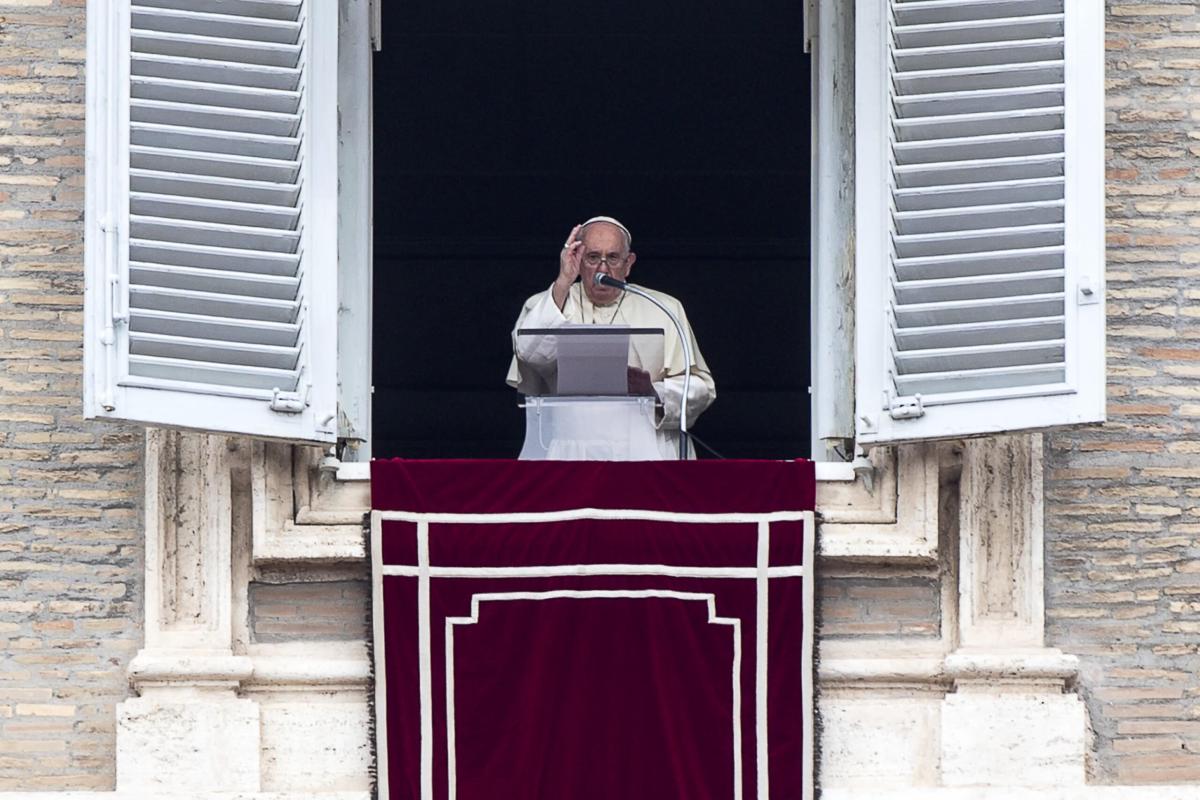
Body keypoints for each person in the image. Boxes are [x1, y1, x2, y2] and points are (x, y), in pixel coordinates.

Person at [506, 216, 716, 459]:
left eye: (613, 258)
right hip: (570, 451)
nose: (602, 268)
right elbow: (530, 353)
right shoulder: (548, 302)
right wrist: (564, 280)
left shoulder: (664, 307)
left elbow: (701, 388)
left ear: (628, 263)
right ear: (577, 259)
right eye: (593, 257)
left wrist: (653, 391)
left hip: (643, 450)